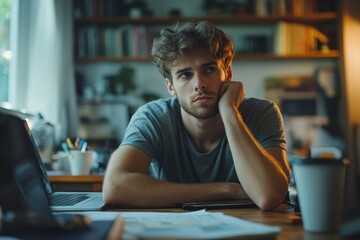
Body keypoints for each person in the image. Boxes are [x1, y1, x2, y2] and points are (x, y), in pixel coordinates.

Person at [103, 21, 290, 210]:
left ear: (228, 73)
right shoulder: (153, 118)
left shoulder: (262, 113)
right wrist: (226, 190)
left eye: (209, 70)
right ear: (170, 86)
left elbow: (269, 196)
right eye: (185, 75)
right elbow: (115, 187)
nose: (199, 84)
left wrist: (230, 114)